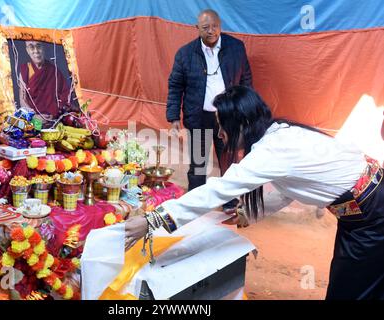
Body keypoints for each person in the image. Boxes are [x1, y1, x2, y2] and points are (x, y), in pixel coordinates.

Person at [126, 85, 384, 300]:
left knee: (349, 292)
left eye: (222, 125)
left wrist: (152, 220)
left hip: (372, 216)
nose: (220, 134)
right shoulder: (281, 133)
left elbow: (219, 189)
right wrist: (247, 214)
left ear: (244, 122)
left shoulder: (270, 150)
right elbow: (288, 190)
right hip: (368, 210)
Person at [166, 9, 252, 213]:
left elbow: (246, 81)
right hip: (199, 118)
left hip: (228, 117)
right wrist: (173, 117)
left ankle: (230, 203)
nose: (211, 31)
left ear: (220, 26)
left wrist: (245, 111)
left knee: (229, 162)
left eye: (214, 26)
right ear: (197, 29)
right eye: (205, 28)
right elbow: (175, 86)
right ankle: (196, 204)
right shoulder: (185, 54)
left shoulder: (236, 48)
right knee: (197, 165)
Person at [18, 40, 71, 121]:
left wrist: (55, 113)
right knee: (33, 130)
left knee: (56, 130)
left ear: (43, 48)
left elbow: (65, 96)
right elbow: (22, 100)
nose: (36, 51)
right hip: (33, 119)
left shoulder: (54, 71)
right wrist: (34, 117)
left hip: (53, 118)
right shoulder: (25, 70)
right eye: (31, 47)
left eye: (38, 46)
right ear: (27, 50)